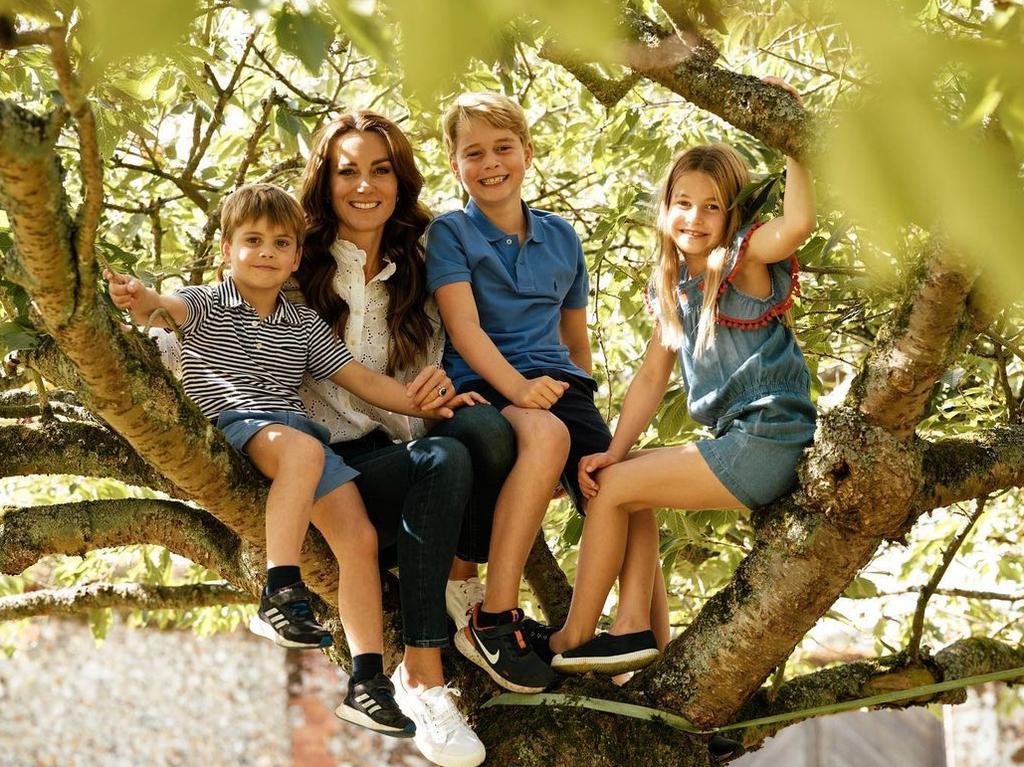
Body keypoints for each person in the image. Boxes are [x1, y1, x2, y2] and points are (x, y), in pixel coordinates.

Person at [105, 183, 483, 741]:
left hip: (296, 441)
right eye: (252, 240)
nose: (266, 252)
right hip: (241, 425)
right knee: (307, 447)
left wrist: (431, 401)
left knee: (355, 537)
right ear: (227, 250)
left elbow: (363, 381)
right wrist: (138, 297)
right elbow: (161, 307)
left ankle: (367, 681)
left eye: (280, 242)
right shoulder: (205, 303)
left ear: (297, 257)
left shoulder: (303, 323)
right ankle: (279, 592)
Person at [547, 78, 817, 675]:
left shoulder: (740, 261)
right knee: (625, 481)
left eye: (712, 206)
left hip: (766, 439)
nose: (694, 217)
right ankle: (639, 640)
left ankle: (573, 637)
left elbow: (796, 225)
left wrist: (795, 134)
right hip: (735, 441)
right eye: (683, 203)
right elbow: (649, 378)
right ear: (666, 208)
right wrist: (613, 450)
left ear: (733, 214)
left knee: (616, 491)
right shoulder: (672, 285)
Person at [425, 92, 668, 694]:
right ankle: (495, 614)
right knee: (549, 434)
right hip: (486, 381)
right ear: (455, 165)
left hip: (560, 386)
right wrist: (518, 389)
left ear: (528, 154)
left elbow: (574, 340)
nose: (490, 163)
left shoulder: (562, 237)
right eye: (473, 153)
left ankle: (640, 635)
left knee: (624, 481)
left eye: (503, 148)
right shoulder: (450, 234)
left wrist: (587, 408)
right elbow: (465, 329)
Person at [294, 111, 515, 767]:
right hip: (339, 473)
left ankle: (459, 584)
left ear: (401, 179)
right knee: (441, 458)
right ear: (325, 183)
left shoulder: (422, 261)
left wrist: (446, 390)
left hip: (415, 459)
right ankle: (420, 677)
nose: (365, 185)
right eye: (348, 171)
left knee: (482, 428)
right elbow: (222, 310)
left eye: (380, 169)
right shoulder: (297, 261)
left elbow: (451, 355)